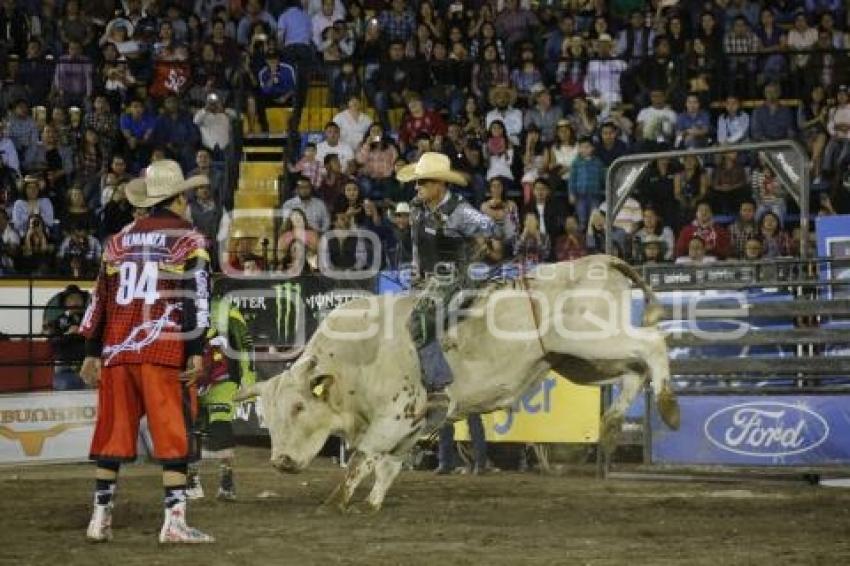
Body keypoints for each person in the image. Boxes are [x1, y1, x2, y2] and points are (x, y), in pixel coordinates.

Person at [79, 159, 214, 544]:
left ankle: (99, 518)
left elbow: (99, 298)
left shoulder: (117, 241)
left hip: (118, 350)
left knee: (112, 434)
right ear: (180, 198)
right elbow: (197, 298)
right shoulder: (190, 240)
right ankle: (173, 521)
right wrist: (196, 348)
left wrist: (93, 349)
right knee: (173, 435)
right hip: (164, 349)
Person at [398, 153, 495, 434]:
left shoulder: (459, 211)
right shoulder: (418, 208)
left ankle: (439, 390)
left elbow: (492, 228)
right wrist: (417, 276)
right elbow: (417, 246)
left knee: (418, 324)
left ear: (439, 185)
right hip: (429, 279)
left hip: (456, 276)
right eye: (417, 183)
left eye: (422, 183)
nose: (417, 188)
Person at [186, 298, 257, 501]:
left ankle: (227, 482)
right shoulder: (178, 305)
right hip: (190, 377)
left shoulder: (226, 308)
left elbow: (245, 341)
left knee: (220, 423)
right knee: (192, 427)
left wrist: (248, 375)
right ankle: (192, 480)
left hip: (223, 376)